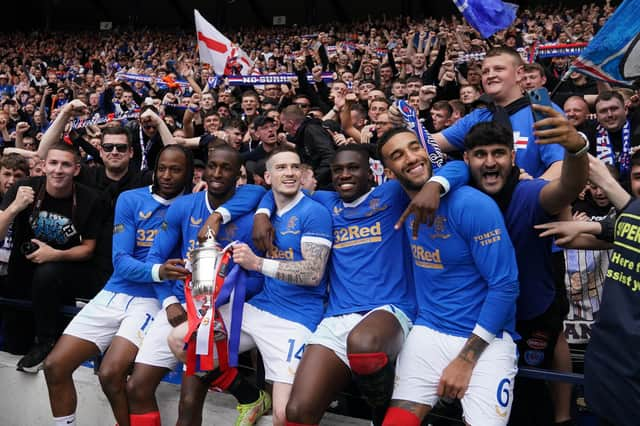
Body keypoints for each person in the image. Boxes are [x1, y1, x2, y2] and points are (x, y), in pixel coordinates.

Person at [429, 106, 589, 425]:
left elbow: (567, 188)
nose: (490, 162)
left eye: (499, 153)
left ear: (512, 159)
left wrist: (575, 149)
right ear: (466, 160)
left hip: (530, 315)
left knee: (526, 403)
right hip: (474, 319)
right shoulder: (458, 197)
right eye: (480, 154)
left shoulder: (528, 193)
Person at [171, 146, 333, 426]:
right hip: (259, 309)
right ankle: (248, 394)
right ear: (267, 177)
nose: (290, 173)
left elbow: (313, 274)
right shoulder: (265, 203)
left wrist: (257, 263)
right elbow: (251, 196)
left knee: (284, 417)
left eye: (295, 167)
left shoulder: (313, 212)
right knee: (180, 339)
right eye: (281, 168)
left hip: (296, 318)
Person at [377, 127, 520, 426]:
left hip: (486, 337)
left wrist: (465, 361)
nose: (411, 158)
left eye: (415, 147)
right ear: (388, 171)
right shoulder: (395, 198)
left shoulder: (472, 205)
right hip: (429, 329)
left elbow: (505, 286)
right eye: (398, 155)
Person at [42, 145, 192, 426]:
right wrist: (159, 270)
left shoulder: (195, 205)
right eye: (162, 169)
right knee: (54, 366)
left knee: (111, 373)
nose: (167, 176)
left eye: (176, 169)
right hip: (114, 292)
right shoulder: (131, 199)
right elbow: (121, 262)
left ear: (189, 172)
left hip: (154, 301)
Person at [124, 144, 268, 426]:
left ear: (239, 173)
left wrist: (224, 301)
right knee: (136, 387)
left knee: (188, 403)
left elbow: (258, 276)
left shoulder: (251, 210)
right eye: (212, 166)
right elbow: (156, 258)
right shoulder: (183, 206)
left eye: (226, 168)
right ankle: (247, 392)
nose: (216, 173)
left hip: (220, 314)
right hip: (180, 306)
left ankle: (247, 393)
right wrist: (169, 302)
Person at [0, 142, 105, 371]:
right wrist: (14, 207)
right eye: (54, 163)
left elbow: (88, 248)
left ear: (76, 169)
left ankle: (45, 341)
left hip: (62, 277)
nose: (58, 170)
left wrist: (55, 254)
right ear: (43, 166)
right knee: (14, 348)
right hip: (21, 276)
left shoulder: (90, 199)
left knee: (48, 272)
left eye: (66, 165)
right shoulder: (23, 188)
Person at [431, 47, 565, 179]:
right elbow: (430, 143)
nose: (490, 75)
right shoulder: (477, 116)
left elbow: (560, 165)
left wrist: (532, 191)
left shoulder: (543, 110)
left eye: (499, 69)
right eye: (485, 72)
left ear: (519, 74)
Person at [280, 105, 335, 190]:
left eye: (283, 124)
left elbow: (330, 156)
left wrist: (314, 178)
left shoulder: (312, 130)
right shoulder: (301, 135)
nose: (283, 128)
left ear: (291, 123)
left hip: (327, 184)